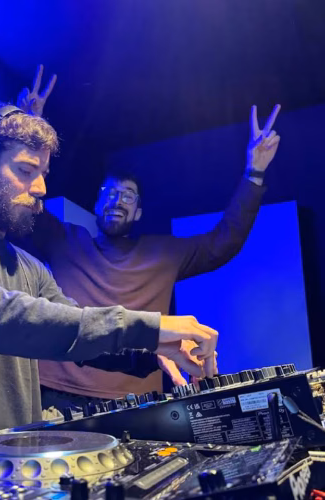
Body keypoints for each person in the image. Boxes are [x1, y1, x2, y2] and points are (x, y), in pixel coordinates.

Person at [0, 102, 218, 463]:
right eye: (26, 170)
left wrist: (154, 349)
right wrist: (147, 327)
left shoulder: (31, 268)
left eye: (43, 173)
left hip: (14, 469)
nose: (41, 187)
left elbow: (76, 335)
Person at [15, 65, 281, 411]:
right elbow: (24, 202)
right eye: (109, 193)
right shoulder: (63, 239)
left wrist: (254, 172)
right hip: (53, 394)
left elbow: (225, 241)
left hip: (135, 401)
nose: (117, 201)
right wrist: (29, 131)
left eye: (128, 196)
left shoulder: (163, 253)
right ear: (96, 204)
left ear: (138, 212)